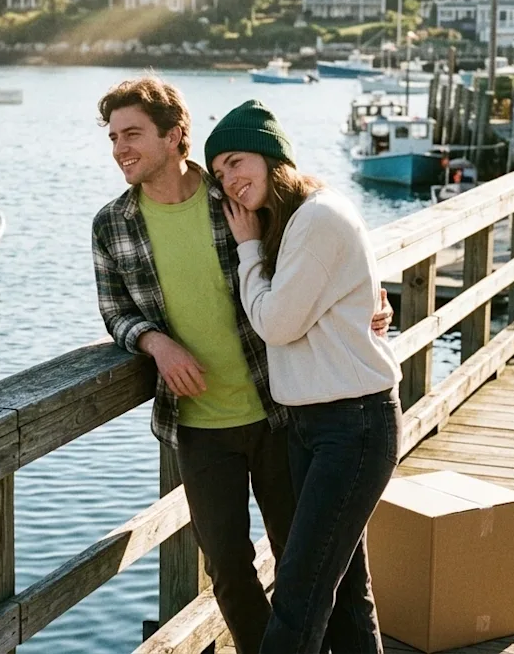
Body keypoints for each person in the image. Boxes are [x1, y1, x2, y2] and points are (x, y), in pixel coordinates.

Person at [90, 78, 393, 654]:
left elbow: (322, 248)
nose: (119, 148)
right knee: (228, 570)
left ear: (175, 134)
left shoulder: (236, 201)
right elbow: (116, 313)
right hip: (199, 426)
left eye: (132, 133)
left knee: (304, 566)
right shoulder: (112, 225)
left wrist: (372, 299)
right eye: (113, 137)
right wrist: (155, 343)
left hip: (282, 414)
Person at [206, 100, 403, 654]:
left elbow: (275, 322)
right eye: (219, 173)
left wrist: (247, 251)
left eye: (237, 162)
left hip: (352, 424)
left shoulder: (315, 218)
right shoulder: (294, 222)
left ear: (273, 158)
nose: (230, 181)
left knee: (299, 597)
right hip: (315, 422)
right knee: (341, 593)